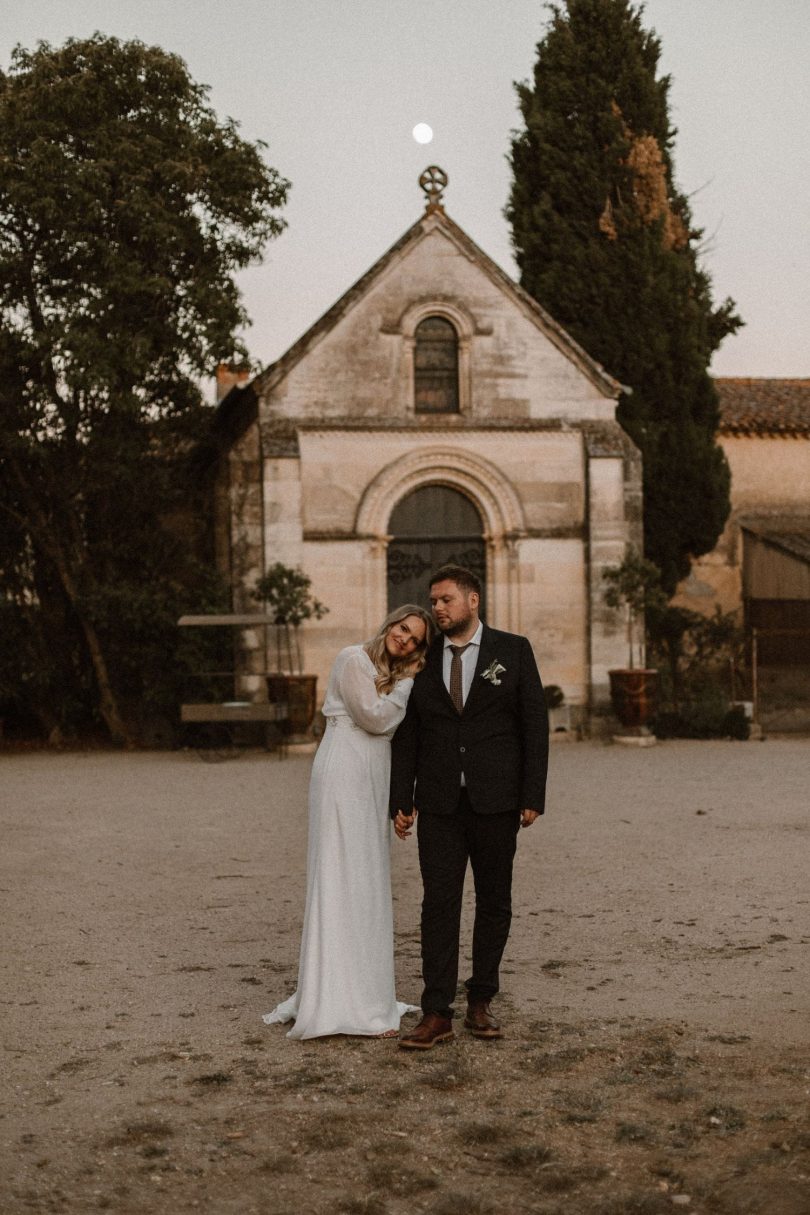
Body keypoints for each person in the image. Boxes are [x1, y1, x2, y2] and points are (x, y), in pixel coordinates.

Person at [390, 565, 549, 1049]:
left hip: (497, 801)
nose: (437, 608)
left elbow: (534, 726)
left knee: (494, 901)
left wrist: (532, 795)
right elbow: (409, 733)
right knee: (438, 904)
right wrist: (402, 798)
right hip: (438, 802)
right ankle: (436, 1011)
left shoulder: (513, 650)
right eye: (433, 601)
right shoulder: (423, 657)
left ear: (473, 600)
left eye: (446, 600)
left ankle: (481, 1000)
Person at [263, 604, 435, 1039]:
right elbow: (374, 719)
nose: (405, 640)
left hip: (372, 774)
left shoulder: (391, 675)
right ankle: (338, 999)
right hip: (344, 770)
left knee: (366, 878)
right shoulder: (353, 658)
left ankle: (369, 993)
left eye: (415, 639)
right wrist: (410, 682)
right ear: (390, 624)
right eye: (403, 629)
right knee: (341, 874)